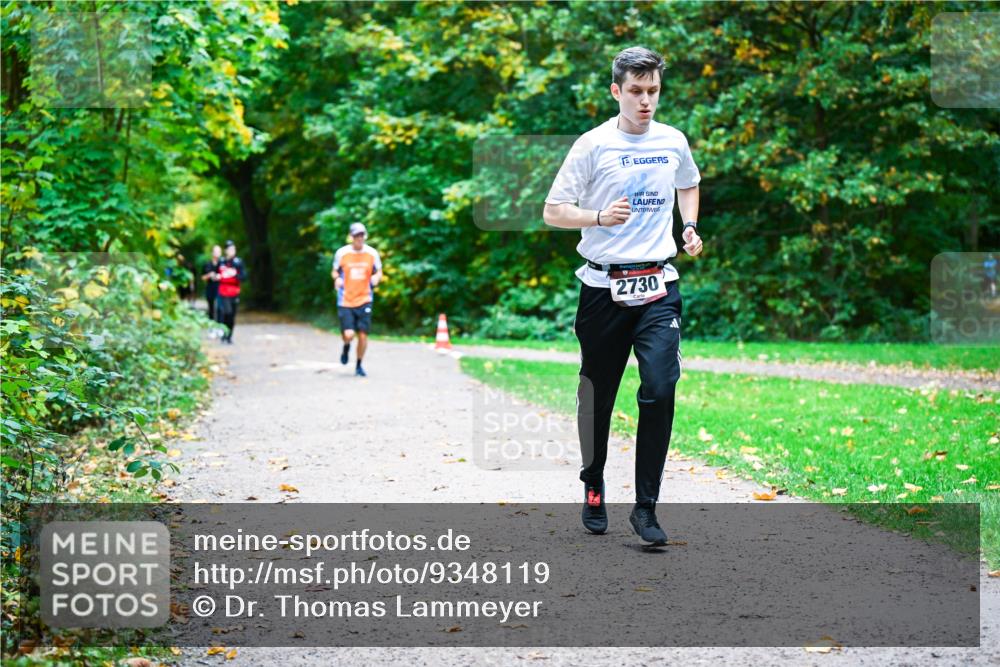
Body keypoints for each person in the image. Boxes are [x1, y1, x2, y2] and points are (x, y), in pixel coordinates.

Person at [542, 46, 703, 546]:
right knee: (598, 398)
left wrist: (690, 226)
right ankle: (593, 482)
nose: (646, 101)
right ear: (616, 91)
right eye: (635, 91)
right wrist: (596, 218)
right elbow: (552, 211)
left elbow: (689, 183)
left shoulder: (673, 140)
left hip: (658, 286)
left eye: (653, 90)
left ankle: (646, 507)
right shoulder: (592, 145)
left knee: (660, 387)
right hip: (602, 289)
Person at [332, 222, 382, 377]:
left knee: (363, 334)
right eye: (356, 235)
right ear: (351, 237)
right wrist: (337, 280)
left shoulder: (372, 254)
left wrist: (376, 278)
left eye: (361, 235)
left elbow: (378, 272)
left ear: (365, 236)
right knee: (348, 334)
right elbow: (334, 272)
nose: (359, 238)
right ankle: (346, 346)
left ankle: (359, 365)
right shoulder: (342, 253)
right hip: (346, 300)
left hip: (365, 298)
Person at [215, 240, 246, 344]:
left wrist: (234, 274)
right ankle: (224, 333)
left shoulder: (238, 262)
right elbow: (215, 275)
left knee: (232, 314)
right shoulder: (221, 261)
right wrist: (218, 277)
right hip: (223, 292)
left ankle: (229, 336)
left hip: (234, 291)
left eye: (233, 249)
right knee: (226, 312)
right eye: (230, 249)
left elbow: (243, 276)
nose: (232, 251)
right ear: (226, 250)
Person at [201, 244, 222, 324]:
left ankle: (220, 326)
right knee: (211, 308)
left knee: (220, 308)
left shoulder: (223, 264)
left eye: (219, 251)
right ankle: (212, 326)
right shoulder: (207, 264)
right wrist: (209, 275)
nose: (217, 253)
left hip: (220, 288)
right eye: (216, 251)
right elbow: (202, 277)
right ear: (212, 253)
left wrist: (219, 276)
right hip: (210, 288)